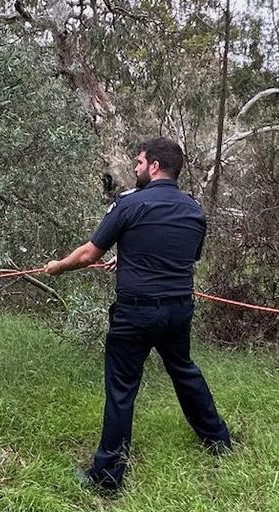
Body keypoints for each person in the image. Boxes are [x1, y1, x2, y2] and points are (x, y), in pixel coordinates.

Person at [44, 138, 232, 496]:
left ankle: (108, 476)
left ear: (155, 166)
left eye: (140, 162)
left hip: (136, 312)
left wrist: (57, 267)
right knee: (184, 371)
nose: (135, 167)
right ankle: (219, 441)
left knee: (121, 388)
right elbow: (183, 257)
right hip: (178, 310)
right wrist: (130, 257)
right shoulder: (194, 210)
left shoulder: (130, 203)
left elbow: (87, 254)